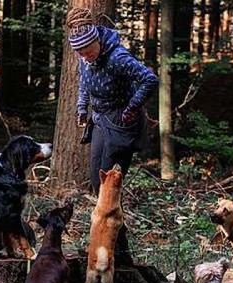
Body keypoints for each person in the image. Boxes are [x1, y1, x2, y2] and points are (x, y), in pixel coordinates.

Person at [66, 7, 159, 266]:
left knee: (109, 187)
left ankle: (119, 253)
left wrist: (132, 107)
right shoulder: (84, 58)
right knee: (97, 183)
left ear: (97, 40)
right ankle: (113, 244)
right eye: (80, 53)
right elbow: (84, 81)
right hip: (98, 121)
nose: (85, 56)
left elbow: (149, 79)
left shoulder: (117, 56)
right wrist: (82, 108)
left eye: (88, 50)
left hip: (121, 124)